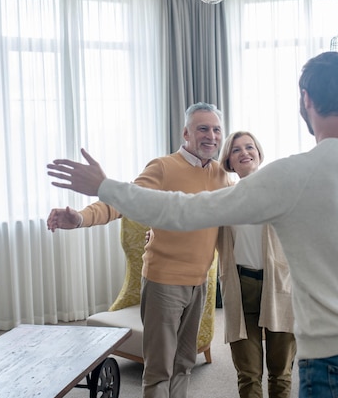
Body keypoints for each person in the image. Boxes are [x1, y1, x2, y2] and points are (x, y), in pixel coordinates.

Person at [47, 52, 338, 398]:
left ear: (305, 99)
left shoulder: (292, 174)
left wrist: (104, 185)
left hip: (336, 355)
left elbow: (180, 210)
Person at [47, 102, 232, 398]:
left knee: (184, 362)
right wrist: (80, 218)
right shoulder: (163, 166)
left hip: (200, 282)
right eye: (202, 129)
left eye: (216, 129)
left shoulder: (222, 175)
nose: (211, 136)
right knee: (159, 369)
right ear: (186, 133)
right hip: (164, 282)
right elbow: (121, 201)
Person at [217, 131, 296, 398]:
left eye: (249, 147)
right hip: (240, 286)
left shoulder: (282, 190)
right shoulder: (223, 198)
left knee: (281, 371)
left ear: (259, 154)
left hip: (280, 284)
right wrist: (154, 233)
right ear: (228, 160)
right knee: (248, 374)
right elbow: (195, 227)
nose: (244, 153)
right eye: (236, 150)